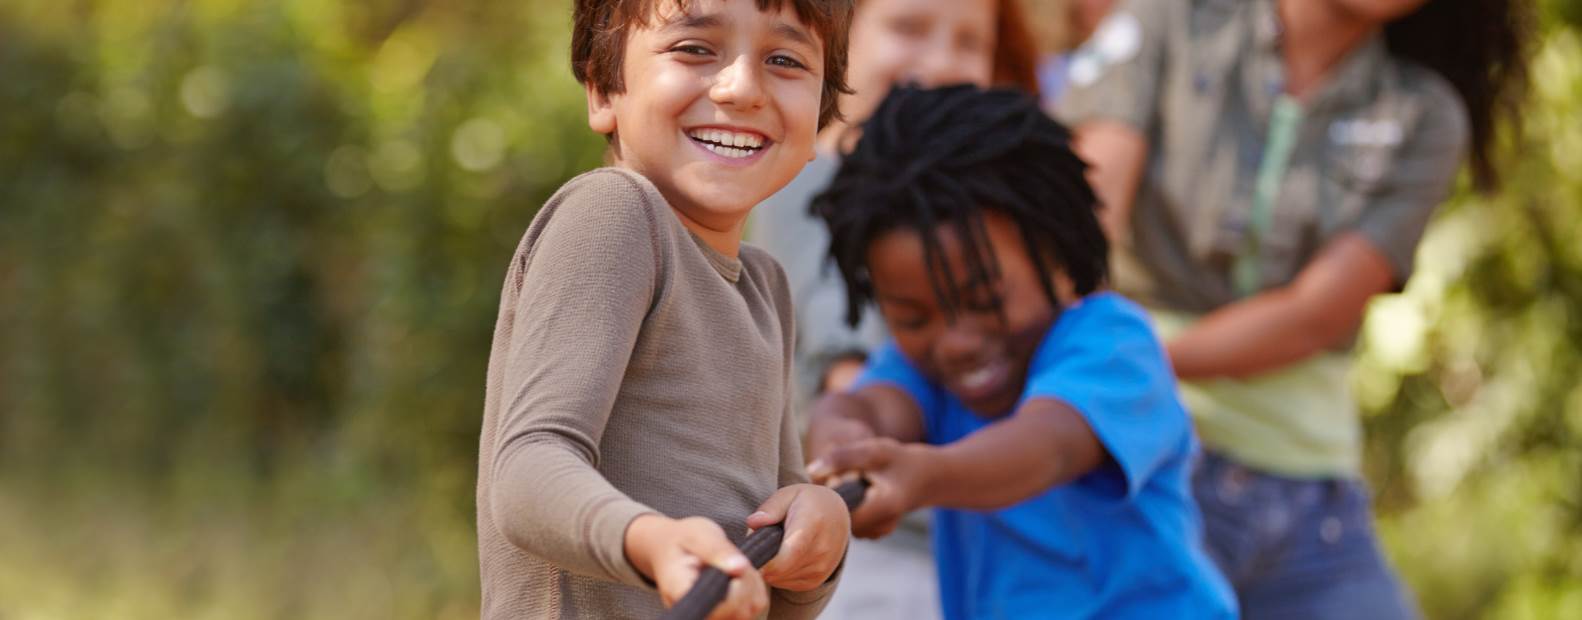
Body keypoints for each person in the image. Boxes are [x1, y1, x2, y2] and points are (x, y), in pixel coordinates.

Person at [1057, 0, 1530, 617]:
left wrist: (1134, 356)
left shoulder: (1423, 115)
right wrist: (1095, 376)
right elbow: (1082, 218)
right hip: (1142, 463)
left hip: (1311, 504)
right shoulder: (1169, 19)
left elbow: (1313, 317)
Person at [474, 1, 859, 618]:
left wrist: (816, 537)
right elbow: (525, 473)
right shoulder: (616, 213)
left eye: (784, 60)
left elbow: (771, 587)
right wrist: (653, 544)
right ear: (603, 89)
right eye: (693, 49)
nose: (741, 89)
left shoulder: (766, 287)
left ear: (820, 118)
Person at [805, 84, 1237, 619]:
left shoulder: (1112, 344)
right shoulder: (922, 371)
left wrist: (923, 475)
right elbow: (865, 407)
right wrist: (842, 446)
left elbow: (1046, 446)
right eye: (914, 318)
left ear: (1054, 253)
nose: (956, 342)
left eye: (985, 299)